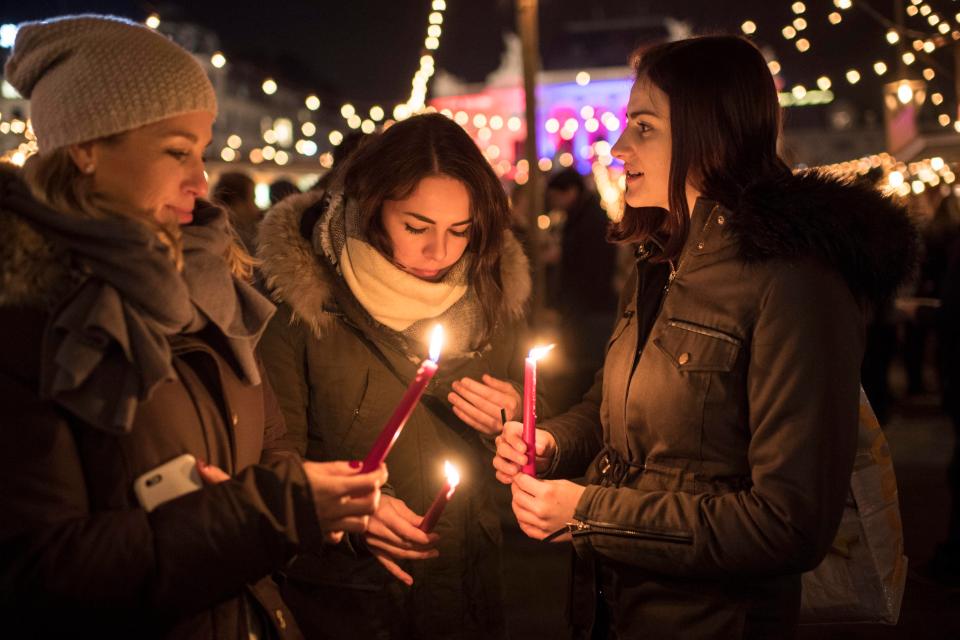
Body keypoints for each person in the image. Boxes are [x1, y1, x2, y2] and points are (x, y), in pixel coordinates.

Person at [493, 35, 917, 639]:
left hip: (716, 620)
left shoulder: (793, 280)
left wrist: (590, 512)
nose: (617, 147)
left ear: (710, 133)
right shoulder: (658, 258)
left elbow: (788, 522)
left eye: (644, 127)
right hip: (610, 608)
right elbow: (610, 404)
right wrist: (552, 444)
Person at [0, 15, 385, 638]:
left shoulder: (213, 288)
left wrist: (301, 504)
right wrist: (258, 514)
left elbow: (271, 444)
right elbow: (38, 572)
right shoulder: (28, 319)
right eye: (177, 151)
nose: (201, 180)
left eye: (202, 152)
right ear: (86, 149)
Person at [257, 113, 535, 639]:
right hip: (348, 602)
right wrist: (345, 512)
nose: (440, 253)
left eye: (461, 230)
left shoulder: (489, 289)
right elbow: (271, 459)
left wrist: (514, 416)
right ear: (370, 205)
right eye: (416, 226)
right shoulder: (301, 306)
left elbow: (519, 431)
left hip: (466, 587)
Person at [545, 168, 619, 409]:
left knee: (586, 366)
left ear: (571, 192)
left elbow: (589, 269)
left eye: (556, 196)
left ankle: (582, 414)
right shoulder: (581, 215)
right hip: (585, 306)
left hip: (591, 307)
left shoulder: (590, 220)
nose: (554, 203)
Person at [212, 170, 261, 253]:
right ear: (237, 203)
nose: (256, 208)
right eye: (253, 199)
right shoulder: (243, 244)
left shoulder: (208, 233)